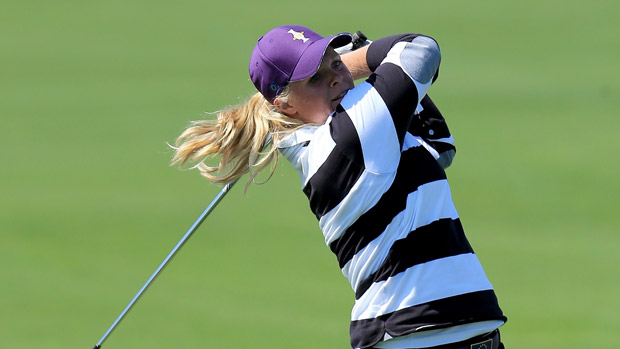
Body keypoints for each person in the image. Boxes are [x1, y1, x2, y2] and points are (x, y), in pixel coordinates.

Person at [171, 25, 507, 349]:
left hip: (442, 332)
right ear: (285, 105)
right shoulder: (349, 134)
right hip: (418, 335)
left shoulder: (354, 132)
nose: (335, 78)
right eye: (315, 78)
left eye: (334, 63)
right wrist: (359, 59)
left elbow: (438, 148)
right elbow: (420, 48)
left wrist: (362, 72)